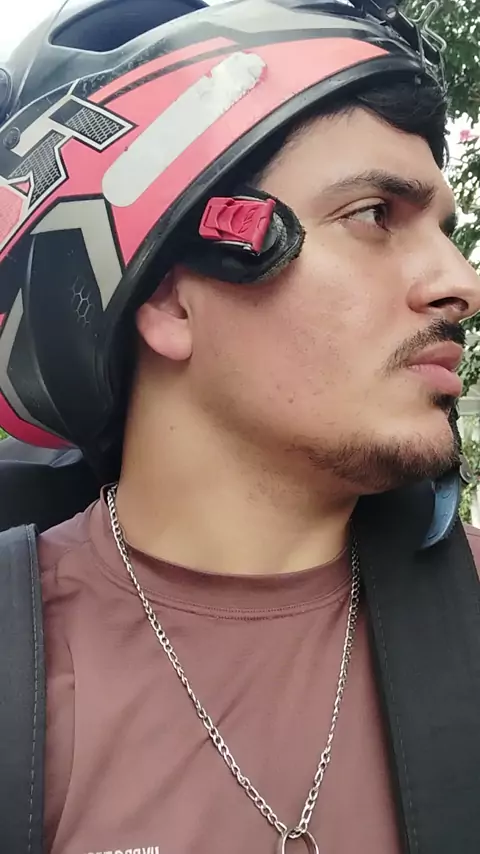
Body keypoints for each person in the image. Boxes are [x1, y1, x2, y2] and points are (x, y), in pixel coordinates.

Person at [1, 0, 480, 852]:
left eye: (445, 230)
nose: (461, 284)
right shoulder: (21, 673)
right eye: (374, 214)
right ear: (168, 297)